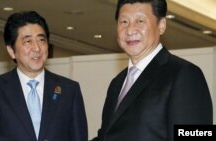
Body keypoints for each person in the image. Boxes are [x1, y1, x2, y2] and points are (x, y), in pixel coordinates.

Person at [91, 0, 213, 141]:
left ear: (161, 25)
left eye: (140, 21)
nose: (130, 30)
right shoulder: (117, 83)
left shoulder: (184, 75)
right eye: (124, 22)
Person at [0, 11, 88, 141]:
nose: (37, 48)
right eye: (27, 41)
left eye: (41, 40)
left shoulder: (69, 89)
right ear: (11, 51)